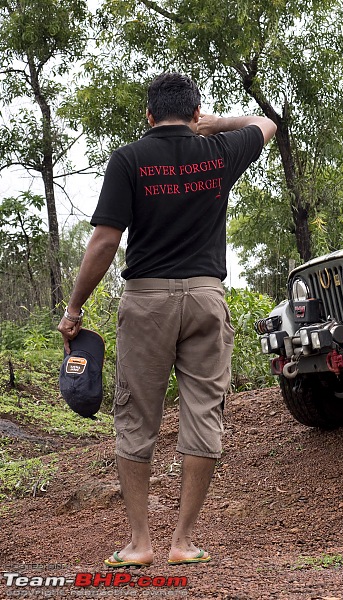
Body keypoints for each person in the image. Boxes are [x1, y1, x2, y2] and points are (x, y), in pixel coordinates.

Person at [57, 72, 276, 568]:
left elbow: (106, 242)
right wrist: (214, 125)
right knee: (203, 413)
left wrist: (74, 309)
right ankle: (183, 540)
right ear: (195, 114)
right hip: (205, 296)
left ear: (149, 115)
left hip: (147, 301)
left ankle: (140, 543)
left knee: (136, 415)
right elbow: (267, 122)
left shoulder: (129, 159)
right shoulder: (220, 152)